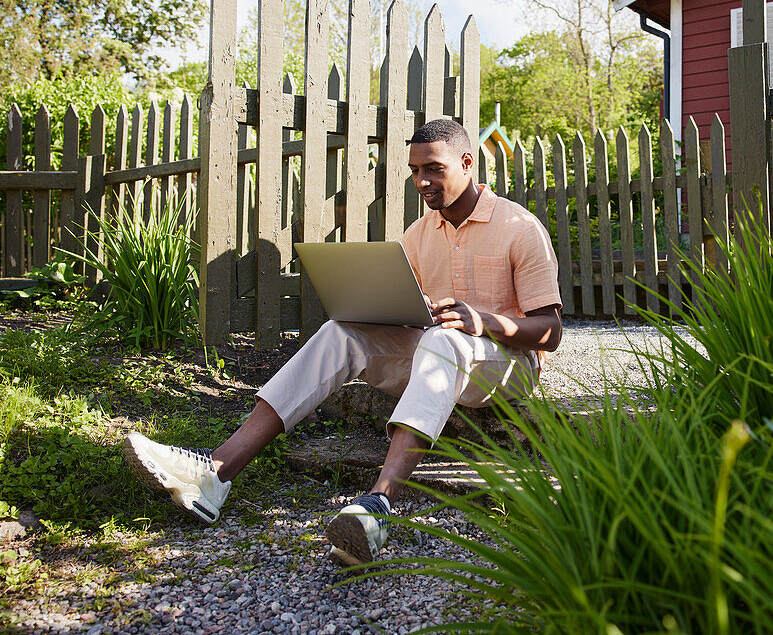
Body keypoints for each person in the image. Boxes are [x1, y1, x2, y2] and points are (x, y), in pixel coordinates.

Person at [123, 118, 562, 566]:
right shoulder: (419, 233)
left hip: (506, 367)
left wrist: (483, 321)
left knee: (446, 342)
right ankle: (216, 472)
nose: (422, 181)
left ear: (467, 163)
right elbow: (411, 307)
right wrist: (406, 308)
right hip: (438, 358)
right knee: (341, 331)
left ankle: (380, 506)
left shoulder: (518, 227)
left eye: (434, 168)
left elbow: (551, 332)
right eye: (414, 171)